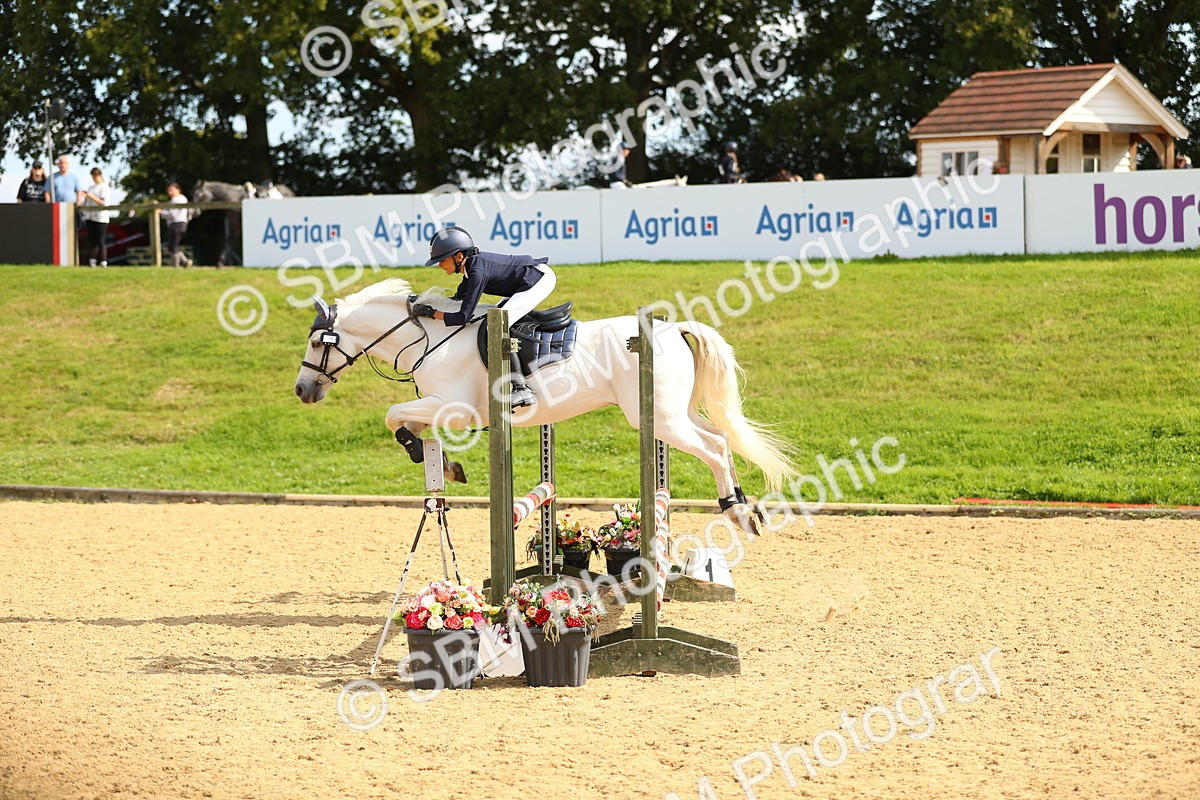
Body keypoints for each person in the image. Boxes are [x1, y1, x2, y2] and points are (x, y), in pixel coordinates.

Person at [413, 226, 556, 408]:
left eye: (442, 260)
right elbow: (457, 300)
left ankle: (521, 388)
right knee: (493, 320)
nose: (439, 264)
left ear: (459, 256)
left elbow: (463, 317)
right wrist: (425, 303)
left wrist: (432, 314)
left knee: (495, 328)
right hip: (526, 280)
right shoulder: (470, 269)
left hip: (537, 279)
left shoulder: (477, 271)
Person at [79, 167, 112, 267]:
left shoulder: (105, 187)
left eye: (95, 176)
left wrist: (92, 196)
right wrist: (85, 198)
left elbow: (104, 203)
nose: (94, 178)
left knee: (101, 240)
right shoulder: (91, 188)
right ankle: (92, 262)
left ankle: (103, 262)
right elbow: (87, 203)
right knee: (92, 241)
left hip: (101, 218)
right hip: (90, 217)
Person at [164, 182, 193, 267]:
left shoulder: (178, 199)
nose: (169, 192)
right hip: (177, 224)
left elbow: (172, 214)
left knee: (174, 246)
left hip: (177, 224)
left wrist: (160, 213)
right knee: (172, 246)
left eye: (171, 190)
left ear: (178, 190)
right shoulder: (176, 200)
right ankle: (185, 262)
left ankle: (176, 265)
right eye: (168, 191)